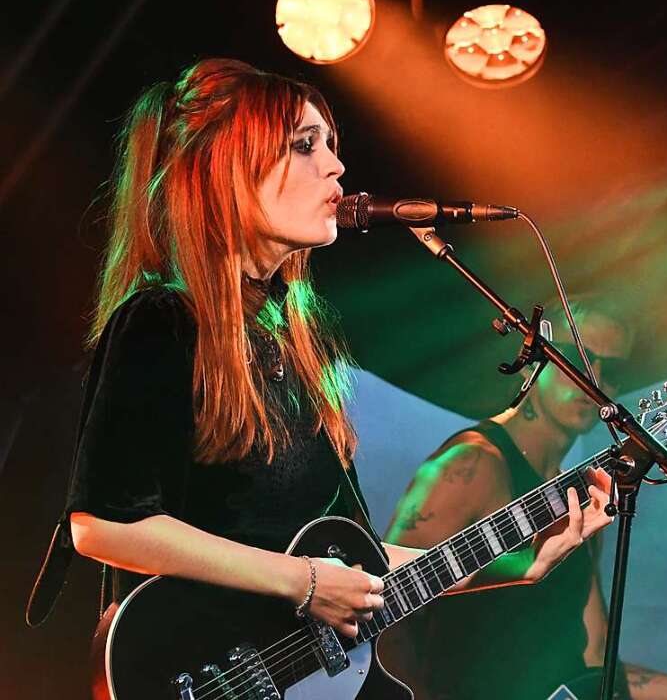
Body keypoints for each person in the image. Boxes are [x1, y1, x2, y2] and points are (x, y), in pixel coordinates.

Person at [64, 59, 613, 671]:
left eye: (329, 143)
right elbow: (104, 526)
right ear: (226, 172)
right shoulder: (161, 322)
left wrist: (516, 564)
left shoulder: (294, 343)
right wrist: (302, 581)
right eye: (305, 146)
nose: (336, 165)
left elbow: (361, 565)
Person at [381, 295, 667, 700]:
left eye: (610, 369)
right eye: (578, 360)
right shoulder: (474, 462)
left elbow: (595, 663)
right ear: (534, 359)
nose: (593, 378)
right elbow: (385, 608)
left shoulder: (583, 495)